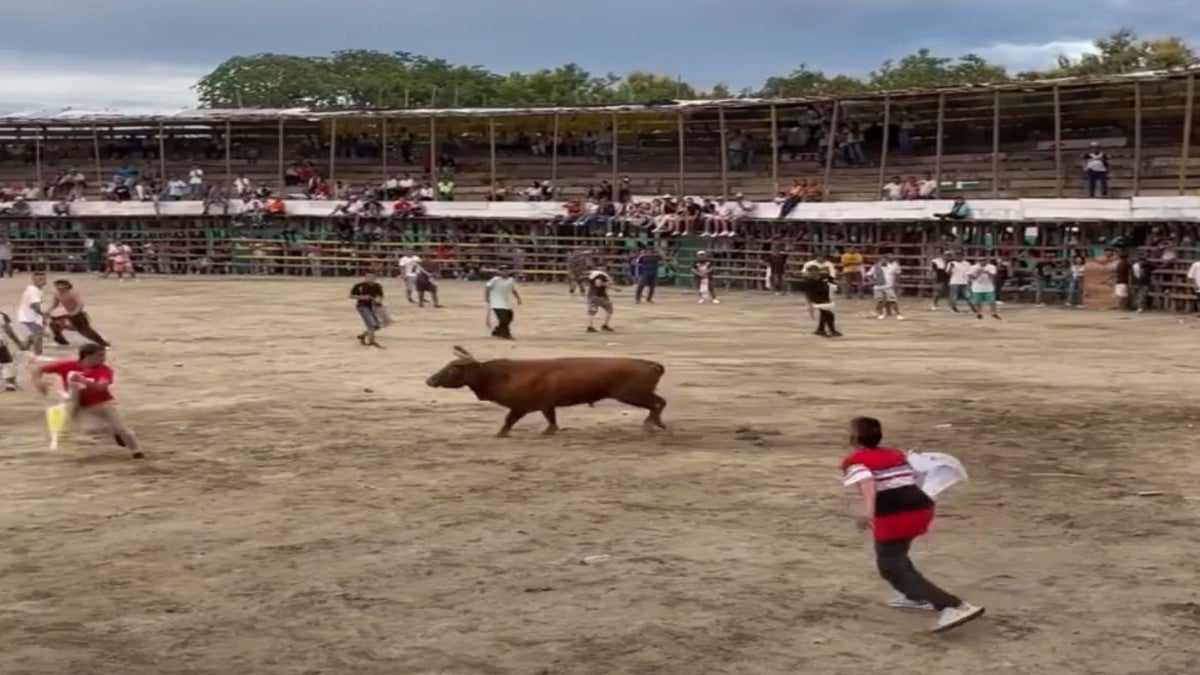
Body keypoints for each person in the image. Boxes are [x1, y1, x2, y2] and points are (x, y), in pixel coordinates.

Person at [841, 416, 984, 633]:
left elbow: (868, 483)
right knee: (898, 556)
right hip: (922, 507)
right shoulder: (895, 454)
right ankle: (914, 596)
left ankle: (952, 605)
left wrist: (868, 512)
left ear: (853, 439)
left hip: (895, 516)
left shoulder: (856, 461)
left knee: (890, 566)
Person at [30, 343, 142, 459]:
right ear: (87, 356)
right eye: (100, 355)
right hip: (81, 405)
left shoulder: (104, 369)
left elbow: (101, 387)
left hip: (103, 403)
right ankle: (113, 431)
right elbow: (38, 369)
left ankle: (136, 452)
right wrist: (38, 383)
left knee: (123, 428)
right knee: (90, 429)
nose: (103, 358)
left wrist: (83, 381)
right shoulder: (68, 365)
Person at [47, 280, 111, 348]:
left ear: (65, 286)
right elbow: (55, 304)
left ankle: (103, 344)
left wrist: (74, 312)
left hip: (78, 314)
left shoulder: (72, 293)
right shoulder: (57, 294)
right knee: (54, 324)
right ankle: (62, 341)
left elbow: (80, 304)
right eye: (56, 285)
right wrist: (48, 311)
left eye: (59, 285)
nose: (57, 287)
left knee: (86, 331)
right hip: (68, 314)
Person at [793, 266, 841, 337]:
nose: (813, 274)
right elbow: (808, 294)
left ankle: (821, 329)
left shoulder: (822, 278)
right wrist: (810, 304)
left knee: (825, 314)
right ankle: (831, 330)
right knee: (828, 315)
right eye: (811, 272)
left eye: (814, 272)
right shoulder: (809, 282)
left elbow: (831, 282)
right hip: (817, 300)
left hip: (825, 299)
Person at [350, 271, 385, 347]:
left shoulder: (377, 286)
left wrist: (378, 300)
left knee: (377, 326)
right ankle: (371, 342)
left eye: (372, 277)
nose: (370, 279)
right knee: (371, 325)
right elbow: (351, 295)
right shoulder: (359, 286)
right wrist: (362, 297)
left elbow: (380, 296)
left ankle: (362, 336)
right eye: (368, 277)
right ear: (365, 277)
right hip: (362, 306)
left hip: (372, 307)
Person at [15, 271, 47, 355]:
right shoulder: (34, 290)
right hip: (29, 316)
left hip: (27, 315)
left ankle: (23, 349)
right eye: (40, 279)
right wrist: (43, 314)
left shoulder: (33, 289)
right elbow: (34, 305)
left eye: (43, 279)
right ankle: (38, 353)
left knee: (35, 334)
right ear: (33, 280)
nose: (42, 281)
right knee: (38, 334)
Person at [485, 266, 521, 339]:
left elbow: (513, 289)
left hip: (505, 303)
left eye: (506, 270)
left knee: (509, 317)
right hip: (496, 302)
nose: (505, 272)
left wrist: (518, 298)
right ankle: (505, 333)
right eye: (503, 270)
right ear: (499, 272)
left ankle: (498, 330)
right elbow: (487, 287)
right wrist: (487, 297)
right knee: (503, 319)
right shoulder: (495, 280)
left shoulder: (511, 280)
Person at [867, 255, 903, 320]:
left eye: (885, 260)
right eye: (882, 260)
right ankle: (880, 313)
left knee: (893, 300)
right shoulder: (875, 267)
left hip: (888, 286)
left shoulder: (892, 267)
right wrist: (872, 281)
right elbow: (868, 274)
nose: (883, 261)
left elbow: (897, 274)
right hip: (878, 286)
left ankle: (898, 314)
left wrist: (896, 282)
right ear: (879, 261)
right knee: (880, 301)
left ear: (887, 261)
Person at [0, 310, 26, 391]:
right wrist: (18, 342)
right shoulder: (2, 315)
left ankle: (9, 383)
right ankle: (9, 383)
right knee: (7, 362)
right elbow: (9, 331)